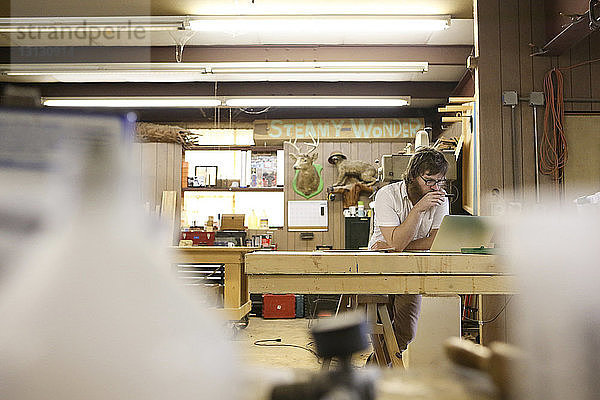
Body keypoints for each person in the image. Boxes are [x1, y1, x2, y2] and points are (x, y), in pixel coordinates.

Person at [367, 146, 449, 363]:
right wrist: (418, 210)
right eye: (429, 180)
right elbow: (398, 243)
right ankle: (379, 375)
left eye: (441, 181)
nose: (436, 187)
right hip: (380, 268)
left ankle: (373, 369)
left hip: (412, 268)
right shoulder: (387, 195)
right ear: (413, 175)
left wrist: (397, 244)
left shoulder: (440, 198)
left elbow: (435, 241)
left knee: (405, 332)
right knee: (380, 329)